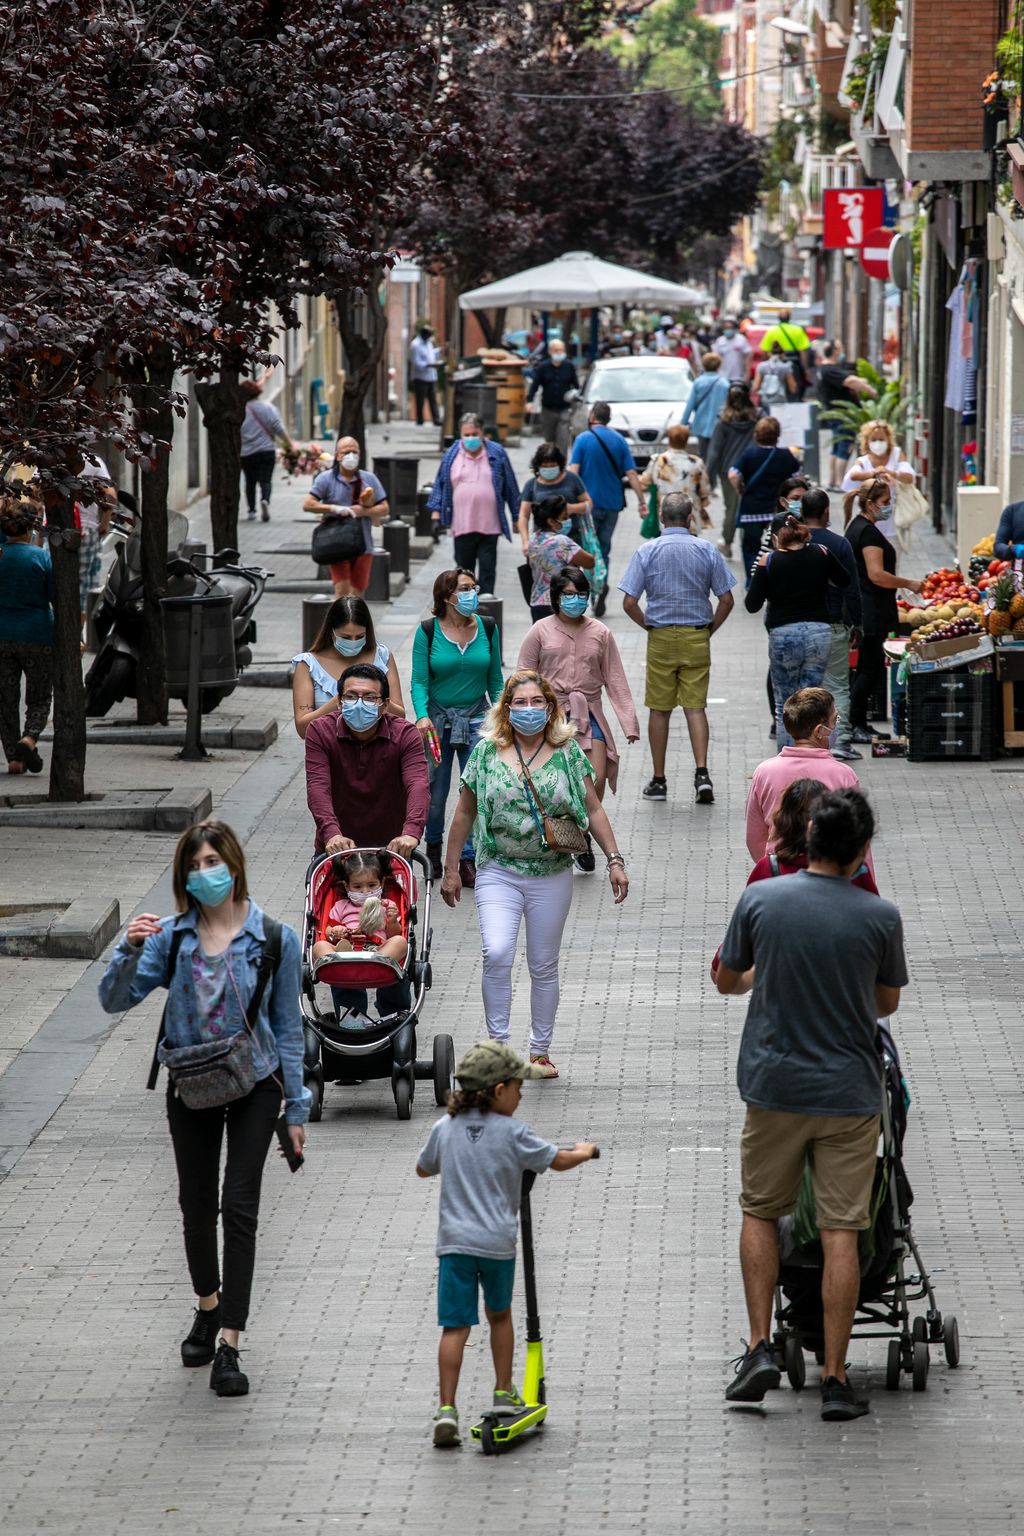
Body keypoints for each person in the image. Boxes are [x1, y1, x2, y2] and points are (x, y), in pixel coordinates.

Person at [98, 819, 308, 1399]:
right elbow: (114, 1000)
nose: (205, 873)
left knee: (239, 1207)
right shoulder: (171, 938)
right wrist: (128, 947)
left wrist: (296, 1109)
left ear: (234, 865)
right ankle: (207, 1305)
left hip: (255, 1083)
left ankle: (230, 1346)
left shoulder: (274, 938)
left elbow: (289, 1030)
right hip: (190, 1081)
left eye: (214, 862)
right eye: (194, 866)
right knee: (197, 1206)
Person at [717, 788, 908, 1420]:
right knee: (841, 1231)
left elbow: (726, 978)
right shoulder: (879, 917)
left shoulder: (762, 898)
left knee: (760, 1211)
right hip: (847, 1094)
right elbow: (886, 1005)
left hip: (773, 1086)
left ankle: (759, 1347)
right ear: (859, 853)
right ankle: (833, 1378)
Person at [440, 670, 629, 1079]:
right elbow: (464, 812)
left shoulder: (567, 752)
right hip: (498, 870)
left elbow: (593, 808)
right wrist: (451, 869)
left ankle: (539, 1051)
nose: (529, 710)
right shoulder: (486, 753)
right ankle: (498, 1048)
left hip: (551, 873)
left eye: (537, 703)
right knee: (497, 952)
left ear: (550, 707)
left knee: (543, 964)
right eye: (519, 703)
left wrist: (614, 859)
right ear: (506, 710)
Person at [416, 1040, 598, 1447]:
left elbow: (423, 1168)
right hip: (497, 1244)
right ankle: (502, 1390)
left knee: (455, 1327)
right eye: (518, 1088)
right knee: (499, 1316)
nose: (520, 1095)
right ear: (499, 1091)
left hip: (455, 1246)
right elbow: (557, 1160)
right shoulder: (514, 1132)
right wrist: (584, 1152)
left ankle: (447, 1408)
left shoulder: (444, 1129)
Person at [305, 662, 429, 1021]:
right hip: (339, 852)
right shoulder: (321, 732)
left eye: (369, 697)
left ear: (385, 703)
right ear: (339, 701)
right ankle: (349, 1013)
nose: (360, 703)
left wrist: (411, 832)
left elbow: (418, 783)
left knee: (395, 926)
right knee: (330, 928)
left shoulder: (405, 734)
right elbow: (318, 787)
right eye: (351, 696)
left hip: (390, 854)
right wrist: (331, 833)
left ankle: (394, 1013)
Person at [518, 566, 639, 869]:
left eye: (580, 594)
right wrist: (522, 715)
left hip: (589, 715)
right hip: (549, 715)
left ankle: (582, 836)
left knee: (592, 783)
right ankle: (560, 838)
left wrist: (629, 723)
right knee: (551, 782)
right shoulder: (540, 630)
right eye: (568, 594)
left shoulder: (600, 632)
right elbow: (522, 675)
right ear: (556, 597)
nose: (575, 600)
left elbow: (616, 678)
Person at [620, 492, 735, 806]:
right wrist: (709, 629)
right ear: (689, 517)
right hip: (697, 635)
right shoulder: (706, 550)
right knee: (695, 707)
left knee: (660, 709)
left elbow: (629, 602)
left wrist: (649, 626)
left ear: (661, 517)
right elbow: (726, 599)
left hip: (660, 637)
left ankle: (659, 780)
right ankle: (702, 774)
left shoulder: (647, 550)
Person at [710, 777, 879, 981]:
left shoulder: (768, 870)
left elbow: (729, 962)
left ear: (782, 820)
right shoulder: (855, 872)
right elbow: (875, 933)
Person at [411, 567, 504, 888]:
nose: (472, 594)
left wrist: (503, 715)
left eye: (474, 588)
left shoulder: (488, 628)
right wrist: (421, 715)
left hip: (477, 718)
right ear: (446, 595)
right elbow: (419, 681)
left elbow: (494, 679)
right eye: (465, 588)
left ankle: (467, 858)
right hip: (436, 721)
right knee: (434, 793)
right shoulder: (428, 631)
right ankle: (433, 847)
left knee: (474, 791)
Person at [746, 513, 850, 749]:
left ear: (775, 537)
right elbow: (844, 580)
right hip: (819, 633)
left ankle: (789, 762)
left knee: (786, 705)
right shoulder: (822, 552)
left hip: (784, 633)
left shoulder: (769, 561)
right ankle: (816, 758)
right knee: (813, 703)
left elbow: (752, 605)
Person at [845, 480, 924, 743]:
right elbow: (876, 575)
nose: (889, 507)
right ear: (870, 503)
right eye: (886, 502)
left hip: (868, 608)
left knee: (869, 668)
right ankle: (854, 723)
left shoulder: (858, 527)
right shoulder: (867, 532)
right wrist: (908, 583)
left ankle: (857, 722)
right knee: (871, 669)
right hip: (872, 610)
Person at [744, 689, 862, 860]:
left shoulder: (765, 772)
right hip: (830, 873)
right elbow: (856, 839)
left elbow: (755, 837)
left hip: (778, 871)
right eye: (835, 719)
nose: (837, 725)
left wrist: (768, 869)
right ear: (819, 731)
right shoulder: (843, 775)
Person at [798, 488, 863, 762]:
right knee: (838, 686)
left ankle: (805, 740)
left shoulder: (795, 543)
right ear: (826, 512)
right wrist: (857, 623)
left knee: (805, 686)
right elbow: (852, 588)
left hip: (801, 624)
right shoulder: (839, 544)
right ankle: (841, 740)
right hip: (834, 623)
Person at [428, 414, 520, 597]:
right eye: (466, 434)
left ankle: (486, 609)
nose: (471, 438)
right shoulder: (452, 454)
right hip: (462, 525)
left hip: (490, 526)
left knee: (487, 571)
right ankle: (466, 609)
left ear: (482, 432)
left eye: (474, 433)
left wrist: (517, 517)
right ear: (460, 434)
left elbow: (510, 486)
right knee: (463, 573)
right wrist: (435, 514)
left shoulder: (497, 452)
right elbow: (440, 484)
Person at [568, 401, 646, 617]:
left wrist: (569, 501)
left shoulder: (583, 439)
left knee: (584, 550)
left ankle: (585, 591)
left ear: (592, 416)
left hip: (587, 507)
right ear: (608, 418)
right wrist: (641, 501)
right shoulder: (619, 440)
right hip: (611, 504)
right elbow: (631, 474)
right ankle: (601, 586)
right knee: (603, 549)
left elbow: (574, 472)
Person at [291, 595, 404, 739]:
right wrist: (339, 701)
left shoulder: (382, 656)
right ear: (331, 632)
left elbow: (400, 717)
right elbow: (302, 729)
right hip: (328, 753)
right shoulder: (308, 665)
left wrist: (375, 700)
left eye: (360, 636)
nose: (353, 642)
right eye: (345, 637)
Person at [0, 495, 54, 775]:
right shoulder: (40, 558)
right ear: (32, 528)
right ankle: (29, 738)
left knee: (5, 697)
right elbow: (53, 596)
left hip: (1, 634)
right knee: (40, 694)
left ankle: (14, 758)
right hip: (37, 634)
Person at [303, 437, 390, 600]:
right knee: (342, 592)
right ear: (337, 456)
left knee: (357, 594)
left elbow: (384, 508)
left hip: (363, 544)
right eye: (346, 452)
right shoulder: (325, 478)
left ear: (360, 455)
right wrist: (333, 508)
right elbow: (308, 504)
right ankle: (339, 625)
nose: (351, 456)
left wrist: (362, 511)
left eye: (354, 452)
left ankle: (354, 625)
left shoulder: (368, 479)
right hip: (336, 543)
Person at [516, 442, 603, 590]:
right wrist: (525, 542)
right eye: (545, 465)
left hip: (571, 540)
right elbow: (524, 515)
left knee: (569, 581)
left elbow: (588, 504)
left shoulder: (572, 480)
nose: (549, 468)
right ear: (538, 466)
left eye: (552, 464)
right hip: (542, 545)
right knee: (543, 582)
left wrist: (569, 508)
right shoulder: (532, 485)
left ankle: (567, 605)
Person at [729, 417, 802, 587]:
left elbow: (733, 475)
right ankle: (776, 580)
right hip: (778, 510)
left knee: (751, 548)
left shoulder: (749, 454)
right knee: (779, 546)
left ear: (756, 435)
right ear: (777, 435)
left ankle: (752, 581)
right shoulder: (785, 455)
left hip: (752, 509)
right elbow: (798, 477)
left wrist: (740, 488)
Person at [311, 851, 408, 965]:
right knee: (319, 946)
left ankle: (377, 960)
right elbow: (326, 930)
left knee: (400, 942)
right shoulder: (341, 906)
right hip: (346, 947)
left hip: (377, 948)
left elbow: (394, 935)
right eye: (357, 887)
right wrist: (334, 931)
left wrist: (392, 922)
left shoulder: (387, 905)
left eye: (371, 885)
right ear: (347, 886)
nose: (365, 891)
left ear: (381, 883)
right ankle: (339, 963)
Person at [705, 384, 759, 560]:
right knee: (748, 507)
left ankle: (727, 542)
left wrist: (708, 479)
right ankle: (747, 543)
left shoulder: (723, 421)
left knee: (732, 508)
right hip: (752, 469)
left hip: (727, 471)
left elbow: (714, 452)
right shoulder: (757, 417)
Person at [815, 342, 877, 488]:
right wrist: (869, 390)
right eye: (840, 348)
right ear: (835, 351)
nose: (842, 351)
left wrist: (861, 382)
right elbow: (849, 381)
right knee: (844, 447)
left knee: (837, 447)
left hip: (836, 414)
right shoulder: (829, 369)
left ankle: (833, 480)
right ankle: (838, 482)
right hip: (843, 415)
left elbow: (850, 379)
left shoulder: (826, 370)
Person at [841, 420, 914, 543]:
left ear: (888, 439)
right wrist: (874, 472)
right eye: (873, 440)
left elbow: (909, 477)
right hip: (871, 521)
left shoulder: (896, 454)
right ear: (867, 441)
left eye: (881, 439)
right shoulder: (862, 461)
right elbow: (852, 476)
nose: (878, 443)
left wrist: (891, 472)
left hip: (894, 520)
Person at [526, 497, 595, 622]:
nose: (568, 520)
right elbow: (589, 562)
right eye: (564, 517)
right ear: (551, 521)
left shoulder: (533, 539)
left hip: (537, 602)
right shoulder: (561, 541)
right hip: (559, 603)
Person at [239, 379, 293, 522]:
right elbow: (278, 428)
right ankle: (265, 500)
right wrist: (290, 445)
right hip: (266, 450)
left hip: (246, 452)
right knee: (266, 480)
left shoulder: (240, 410)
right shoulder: (268, 408)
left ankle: (251, 510)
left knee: (249, 482)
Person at [641, 424, 712, 527]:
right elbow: (704, 491)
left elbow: (644, 483)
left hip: (664, 517)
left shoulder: (658, 461)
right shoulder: (696, 462)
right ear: (686, 441)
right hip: (690, 517)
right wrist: (703, 504)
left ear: (669, 439)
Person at [526, 340, 579, 453]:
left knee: (563, 441)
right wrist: (529, 401)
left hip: (564, 409)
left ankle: (562, 466)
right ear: (550, 352)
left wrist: (577, 400)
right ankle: (551, 464)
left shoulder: (569, 366)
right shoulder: (543, 367)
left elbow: (576, 386)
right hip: (548, 410)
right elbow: (535, 385)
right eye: (556, 350)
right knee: (549, 441)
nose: (559, 353)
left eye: (561, 350)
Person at [681, 352, 730, 464]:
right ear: (718, 365)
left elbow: (690, 405)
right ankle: (712, 477)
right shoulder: (724, 384)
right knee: (716, 455)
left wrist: (683, 424)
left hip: (700, 425)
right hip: (719, 425)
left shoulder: (698, 382)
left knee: (703, 454)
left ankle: (704, 477)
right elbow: (728, 406)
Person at [759, 309, 813, 398]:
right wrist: (805, 369)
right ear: (789, 318)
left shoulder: (772, 331)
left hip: (775, 367)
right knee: (795, 391)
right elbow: (803, 352)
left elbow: (764, 351)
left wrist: (766, 365)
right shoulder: (798, 330)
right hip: (794, 365)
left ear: (778, 318)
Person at [409, 325, 441, 427]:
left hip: (431, 376)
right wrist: (430, 365)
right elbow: (416, 362)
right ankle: (420, 420)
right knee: (420, 400)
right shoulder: (415, 345)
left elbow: (431, 355)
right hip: (420, 377)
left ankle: (436, 420)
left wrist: (439, 351)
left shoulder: (429, 343)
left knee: (433, 400)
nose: (430, 337)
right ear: (424, 334)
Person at [752, 341, 796, 410]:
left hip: (765, 401)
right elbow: (793, 388)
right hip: (780, 401)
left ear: (769, 354)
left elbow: (756, 387)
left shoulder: (761, 366)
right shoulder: (785, 367)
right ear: (783, 354)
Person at [715, 319, 752, 383]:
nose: (728, 330)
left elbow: (748, 355)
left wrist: (747, 372)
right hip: (722, 377)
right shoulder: (720, 341)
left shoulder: (741, 339)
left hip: (738, 377)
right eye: (726, 328)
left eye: (730, 328)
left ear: (734, 329)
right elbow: (715, 358)